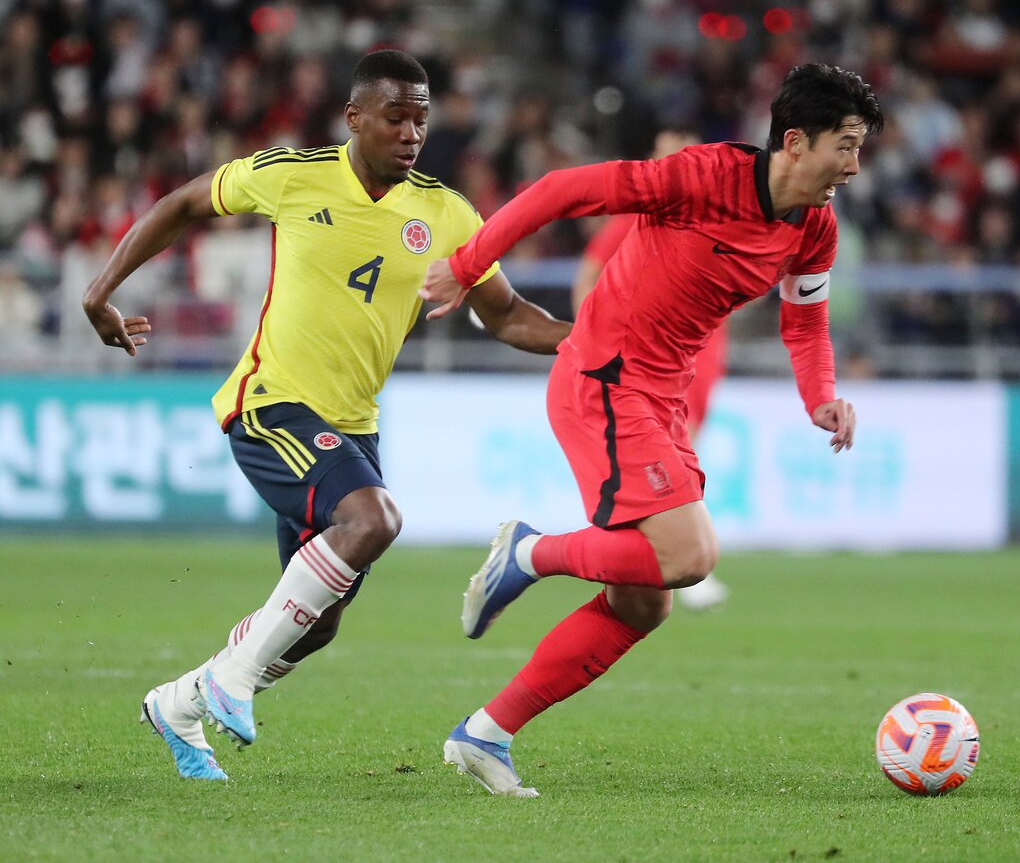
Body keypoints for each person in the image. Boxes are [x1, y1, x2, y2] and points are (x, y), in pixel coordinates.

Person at [83, 50, 570, 781]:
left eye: (422, 120)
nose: (412, 134)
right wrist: (100, 294)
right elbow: (183, 203)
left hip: (354, 427)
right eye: (396, 117)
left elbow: (506, 315)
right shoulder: (294, 174)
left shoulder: (446, 213)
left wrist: (590, 339)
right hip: (270, 403)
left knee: (315, 625)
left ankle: (178, 702)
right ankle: (232, 679)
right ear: (355, 117)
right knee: (374, 519)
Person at [420, 63, 882, 797]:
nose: (854, 167)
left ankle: (485, 732)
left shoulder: (813, 228)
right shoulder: (701, 176)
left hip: (662, 397)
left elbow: (805, 322)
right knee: (690, 554)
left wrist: (820, 396)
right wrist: (467, 263)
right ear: (796, 142)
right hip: (604, 380)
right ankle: (530, 551)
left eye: (860, 148)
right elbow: (560, 191)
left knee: (644, 600)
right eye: (846, 146)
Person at [570, 127, 730, 613]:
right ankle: (680, 559)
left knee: (685, 455)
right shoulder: (645, 212)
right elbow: (589, 270)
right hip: (651, 356)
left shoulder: (718, 210)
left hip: (699, 352)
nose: (669, 160)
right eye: (663, 151)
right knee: (671, 459)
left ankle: (672, 557)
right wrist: (587, 337)